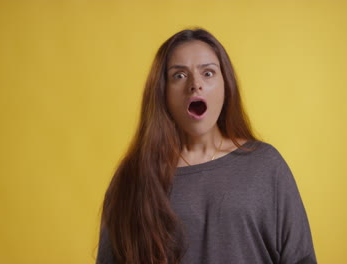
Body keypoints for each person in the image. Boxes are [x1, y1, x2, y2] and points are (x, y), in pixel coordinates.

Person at [96, 28, 317, 264]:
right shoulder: (134, 176)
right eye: (179, 75)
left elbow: (301, 258)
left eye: (208, 73)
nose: (195, 85)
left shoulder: (266, 165)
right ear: (162, 92)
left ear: (226, 85)